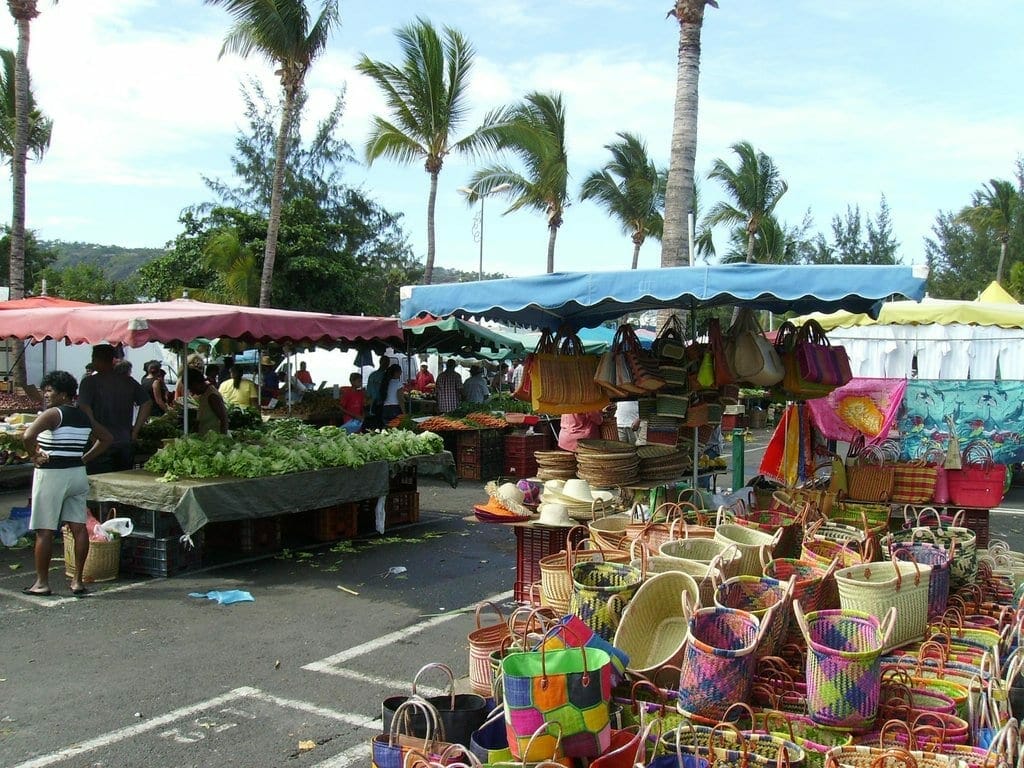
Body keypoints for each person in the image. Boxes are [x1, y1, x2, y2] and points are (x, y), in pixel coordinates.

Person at [21, 370, 114, 596]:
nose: (46, 394)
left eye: (50, 391)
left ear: (63, 394)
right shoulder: (83, 415)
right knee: (78, 527)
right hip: (77, 474)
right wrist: (83, 458)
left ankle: (42, 583)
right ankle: (77, 581)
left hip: (52, 475)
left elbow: (27, 436)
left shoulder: (53, 414)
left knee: (44, 530)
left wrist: (34, 455)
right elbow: (106, 438)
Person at [77, 344, 152, 474]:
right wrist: (135, 430)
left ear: (96, 359)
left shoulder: (89, 382)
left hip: (99, 444)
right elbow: (147, 403)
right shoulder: (128, 381)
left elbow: (84, 409)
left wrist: (94, 432)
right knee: (123, 482)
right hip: (124, 442)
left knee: (99, 483)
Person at [184, 369, 229, 435]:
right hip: (205, 437)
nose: (191, 391)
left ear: (196, 384)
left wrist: (222, 437)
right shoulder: (204, 394)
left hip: (215, 437)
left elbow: (224, 419)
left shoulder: (212, 396)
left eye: (191, 388)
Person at [365, 355, 390, 424]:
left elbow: (368, 391)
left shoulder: (373, 375)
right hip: (380, 403)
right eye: (386, 362)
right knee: (378, 422)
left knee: (375, 422)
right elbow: (369, 391)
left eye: (387, 362)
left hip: (376, 403)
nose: (386, 364)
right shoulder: (385, 376)